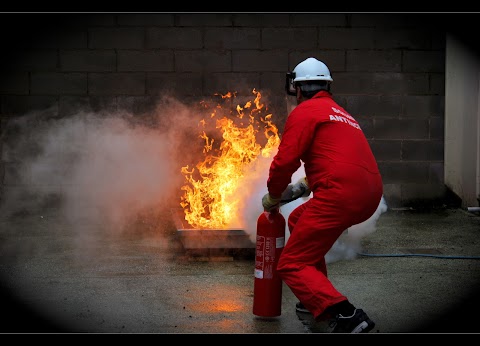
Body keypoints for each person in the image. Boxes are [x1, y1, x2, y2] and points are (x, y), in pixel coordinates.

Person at [262, 57, 383, 333]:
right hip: (369, 195)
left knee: (291, 264)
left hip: (339, 196)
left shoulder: (305, 112)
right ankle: (312, 299)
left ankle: (345, 315)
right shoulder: (342, 114)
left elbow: (284, 162)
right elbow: (339, 161)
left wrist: (273, 194)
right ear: (327, 87)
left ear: (299, 89)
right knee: (298, 219)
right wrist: (305, 185)